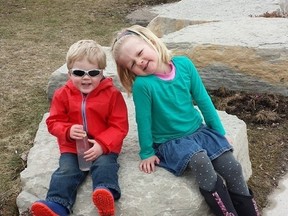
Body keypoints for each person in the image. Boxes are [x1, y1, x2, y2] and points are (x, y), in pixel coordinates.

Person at [111, 25, 259, 216]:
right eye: (132, 64)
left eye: (140, 52)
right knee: (201, 161)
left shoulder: (184, 65)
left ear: (152, 42)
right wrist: (147, 152)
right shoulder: (143, 85)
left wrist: (220, 133)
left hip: (199, 131)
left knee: (232, 167)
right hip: (171, 141)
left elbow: (204, 101)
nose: (139, 61)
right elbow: (143, 121)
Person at [30, 39, 129, 216]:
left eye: (93, 72)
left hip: (103, 146)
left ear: (102, 74)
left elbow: (119, 125)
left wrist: (102, 145)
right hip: (72, 147)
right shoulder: (62, 94)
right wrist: (67, 131)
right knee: (66, 171)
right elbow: (53, 122)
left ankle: (105, 193)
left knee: (105, 165)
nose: (86, 77)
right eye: (78, 72)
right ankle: (57, 205)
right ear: (69, 73)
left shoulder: (112, 95)